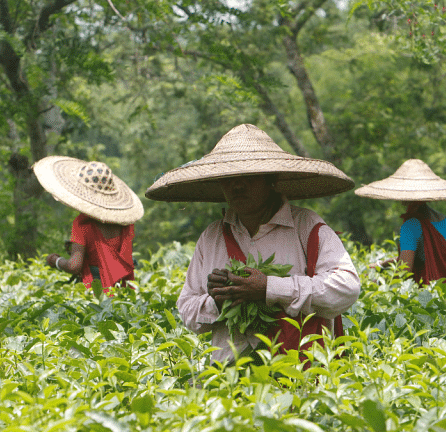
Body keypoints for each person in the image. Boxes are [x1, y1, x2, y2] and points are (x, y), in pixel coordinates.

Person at [146, 124, 360, 364]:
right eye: (229, 178)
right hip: (229, 379)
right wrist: (218, 300)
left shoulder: (305, 226)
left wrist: (270, 287)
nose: (238, 185)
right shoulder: (212, 237)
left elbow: (346, 287)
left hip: (298, 377)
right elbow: (186, 310)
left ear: (270, 180)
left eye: (248, 177)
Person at [33, 156, 144, 294]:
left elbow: (74, 266)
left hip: (95, 291)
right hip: (122, 289)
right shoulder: (125, 223)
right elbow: (117, 256)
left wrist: (55, 260)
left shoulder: (82, 224)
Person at [355, 159, 446, 285]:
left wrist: (378, 284)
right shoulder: (442, 219)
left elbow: (404, 272)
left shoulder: (410, 226)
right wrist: (382, 264)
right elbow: (436, 260)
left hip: (429, 296)